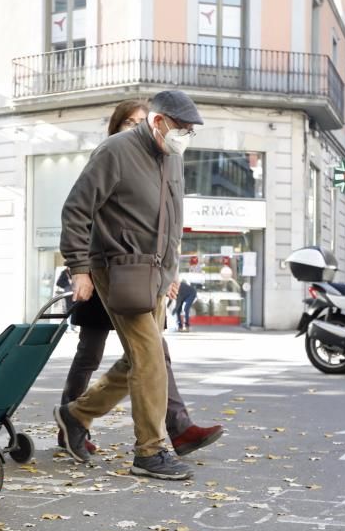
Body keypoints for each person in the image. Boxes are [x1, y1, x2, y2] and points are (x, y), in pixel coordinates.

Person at [58, 99, 222, 458]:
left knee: (141, 359)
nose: (186, 136)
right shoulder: (115, 151)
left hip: (157, 276)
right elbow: (76, 210)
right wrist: (80, 268)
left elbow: (174, 221)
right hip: (119, 269)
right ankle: (150, 451)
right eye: (181, 128)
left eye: (190, 131)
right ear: (159, 121)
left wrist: (173, 272)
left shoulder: (172, 157)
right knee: (147, 358)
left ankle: (76, 414)